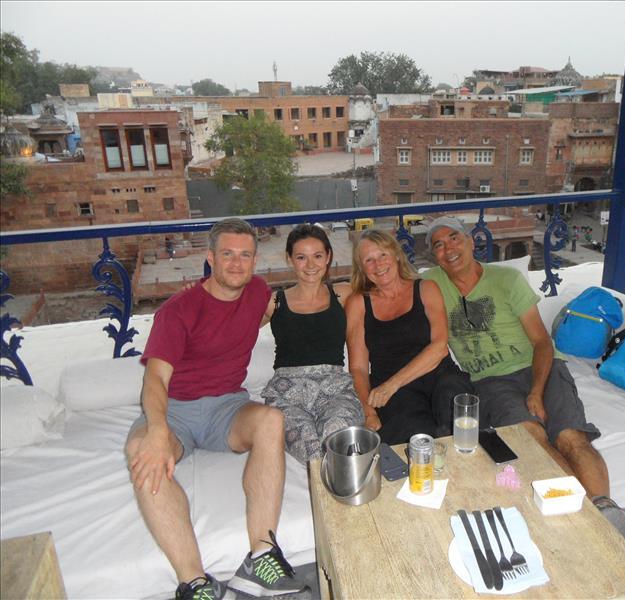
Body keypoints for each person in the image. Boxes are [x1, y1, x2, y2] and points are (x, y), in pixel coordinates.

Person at [422, 216, 625, 543]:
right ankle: (591, 519)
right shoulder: (431, 286)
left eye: (454, 238)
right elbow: (384, 282)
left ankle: (604, 506)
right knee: (532, 437)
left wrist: (537, 391)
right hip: (490, 380)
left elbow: (541, 342)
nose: (448, 248)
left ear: (470, 241)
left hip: (542, 366)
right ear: (433, 256)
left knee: (570, 436)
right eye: (438, 245)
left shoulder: (506, 279)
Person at [125, 218, 303, 600]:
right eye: (227, 255)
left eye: (245, 256)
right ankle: (195, 582)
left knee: (271, 420)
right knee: (143, 453)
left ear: (255, 260)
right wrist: (157, 432)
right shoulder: (177, 311)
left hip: (228, 407)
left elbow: (262, 316)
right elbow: (154, 381)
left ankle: (261, 556)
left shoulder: (257, 292)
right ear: (210, 258)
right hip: (176, 412)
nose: (237, 264)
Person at [345, 229, 473, 445]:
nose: (378, 265)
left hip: (438, 375)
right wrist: (369, 412)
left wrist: (392, 384)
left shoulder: (425, 288)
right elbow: (357, 368)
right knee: (414, 438)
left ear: (396, 255)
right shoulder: (358, 304)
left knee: (455, 414)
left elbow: (440, 347)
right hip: (393, 392)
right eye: (369, 260)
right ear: (362, 269)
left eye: (383, 255)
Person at [260, 224, 364, 463]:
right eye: (301, 257)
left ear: (328, 257)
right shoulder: (274, 302)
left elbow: (385, 295)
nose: (310, 265)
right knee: (312, 452)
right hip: (286, 395)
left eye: (317, 256)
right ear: (289, 259)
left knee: (337, 442)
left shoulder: (344, 293)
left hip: (335, 390)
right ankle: (328, 492)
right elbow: (233, 327)